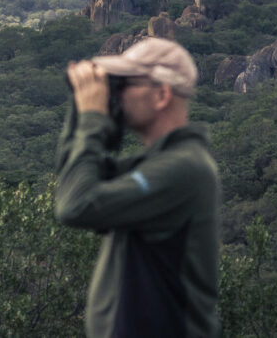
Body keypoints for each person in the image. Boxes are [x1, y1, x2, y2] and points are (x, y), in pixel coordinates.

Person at [55, 37, 220, 337]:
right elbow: (75, 179)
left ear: (161, 95)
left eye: (125, 85)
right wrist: (80, 111)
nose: (118, 96)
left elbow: (75, 204)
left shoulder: (184, 169)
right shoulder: (160, 163)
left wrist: (94, 119)